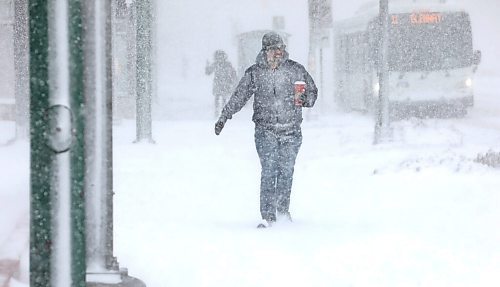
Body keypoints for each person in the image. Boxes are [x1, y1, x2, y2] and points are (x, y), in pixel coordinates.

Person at [214, 32, 318, 228]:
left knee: (286, 171)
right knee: (269, 170)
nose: (278, 53)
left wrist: (306, 100)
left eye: (281, 49)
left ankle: (283, 212)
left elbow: (312, 91)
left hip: (291, 131)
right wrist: (224, 117)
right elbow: (239, 96)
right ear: (265, 51)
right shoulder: (255, 73)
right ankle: (268, 215)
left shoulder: (295, 70)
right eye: (274, 50)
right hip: (265, 131)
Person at [205, 50, 237, 118]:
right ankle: (219, 113)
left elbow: (233, 73)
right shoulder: (218, 64)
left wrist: (232, 81)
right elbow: (208, 72)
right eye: (218, 56)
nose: (220, 58)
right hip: (220, 84)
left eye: (221, 56)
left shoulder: (224, 64)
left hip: (223, 84)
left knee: (223, 99)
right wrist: (207, 66)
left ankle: (222, 113)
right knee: (218, 98)